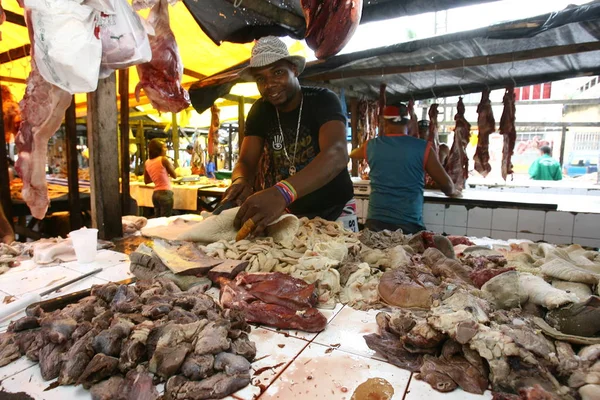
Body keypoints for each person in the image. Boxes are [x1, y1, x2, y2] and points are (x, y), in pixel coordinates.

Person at [223, 36, 354, 235]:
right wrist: (240, 181)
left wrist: (282, 192)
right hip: (290, 211)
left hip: (336, 207)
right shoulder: (261, 110)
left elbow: (336, 154)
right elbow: (246, 161)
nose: (270, 84)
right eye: (261, 78)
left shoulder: (322, 100)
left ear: (294, 69)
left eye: (277, 72)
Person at [350, 105, 459, 234]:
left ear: (384, 122)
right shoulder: (423, 148)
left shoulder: (371, 146)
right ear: (408, 122)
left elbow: (352, 154)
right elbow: (447, 185)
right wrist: (453, 192)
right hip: (409, 225)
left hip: (376, 223)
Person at [144, 139, 177, 217]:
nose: (166, 149)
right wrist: (172, 166)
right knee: (166, 220)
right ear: (159, 149)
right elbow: (174, 175)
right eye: (164, 147)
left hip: (155, 194)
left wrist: (158, 175)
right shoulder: (163, 159)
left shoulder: (147, 162)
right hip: (165, 193)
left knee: (158, 219)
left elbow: (146, 180)